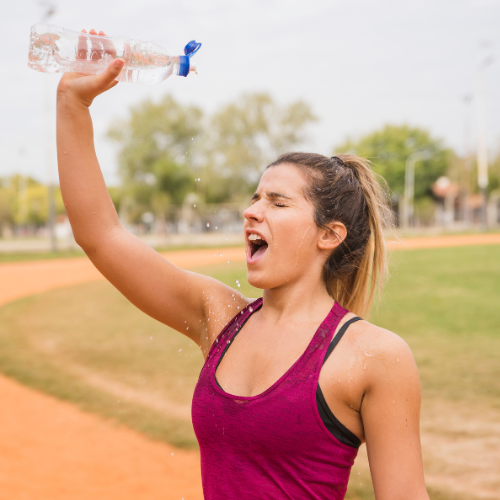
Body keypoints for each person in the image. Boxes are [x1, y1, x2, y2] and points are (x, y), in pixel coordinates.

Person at [56, 29, 430, 500]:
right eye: (255, 198)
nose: (251, 211)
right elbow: (102, 237)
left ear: (329, 235)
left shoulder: (374, 356)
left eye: (277, 202)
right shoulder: (221, 318)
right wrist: (73, 103)